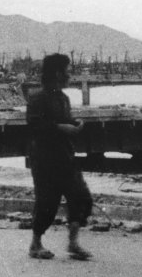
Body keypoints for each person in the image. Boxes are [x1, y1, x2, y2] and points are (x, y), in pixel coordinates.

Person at [26, 53, 92, 261]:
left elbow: (65, 120)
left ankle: (73, 243)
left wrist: (74, 123)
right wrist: (60, 128)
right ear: (57, 73)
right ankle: (35, 244)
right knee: (47, 202)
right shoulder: (37, 98)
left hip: (65, 156)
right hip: (45, 159)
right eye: (67, 71)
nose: (69, 75)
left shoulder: (63, 98)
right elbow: (35, 126)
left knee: (81, 197)